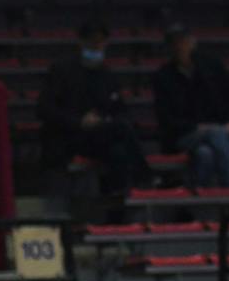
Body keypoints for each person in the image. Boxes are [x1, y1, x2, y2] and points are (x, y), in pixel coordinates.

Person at [37, 20, 152, 194]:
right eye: (93, 40)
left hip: (99, 134)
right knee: (121, 129)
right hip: (69, 136)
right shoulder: (62, 71)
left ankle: (118, 205)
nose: (97, 46)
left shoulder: (106, 74)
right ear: (82, 42)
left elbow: (120, 109)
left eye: (101, 41)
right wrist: (79, 122)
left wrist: (103, 120)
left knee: (118, 151)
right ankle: (144, 175)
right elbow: (44, 109)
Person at [153, 24, 229, 189]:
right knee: (216, 133)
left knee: (204, 154)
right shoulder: (163, 77)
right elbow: (165, 118)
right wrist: (196, 127)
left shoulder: (212, 68)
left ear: (192, 43)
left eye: (184, 41)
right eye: (176, 42)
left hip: (214, 132)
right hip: (183, 135)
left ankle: (200, 199)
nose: (180, 46)